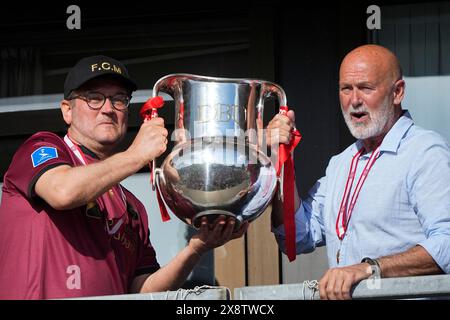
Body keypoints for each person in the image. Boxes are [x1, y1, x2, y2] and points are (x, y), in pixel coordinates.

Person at [0, 55, 249, 299]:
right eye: (94, 98)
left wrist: (197, 248)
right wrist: (136, 156)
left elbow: (142, 291)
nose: (108, 109)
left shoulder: (132, 208)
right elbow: (62, 192)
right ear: (67, 111)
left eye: (119, 100)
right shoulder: (43, 147)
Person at [269, 44, 450, 300]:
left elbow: (447, 243)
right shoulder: (341, 163)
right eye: (346, 89)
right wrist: (281, 160)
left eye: (366, 88)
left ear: (397, 92)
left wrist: (370, 269)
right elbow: (296, 236)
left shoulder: (425, 152)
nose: (354, 101)